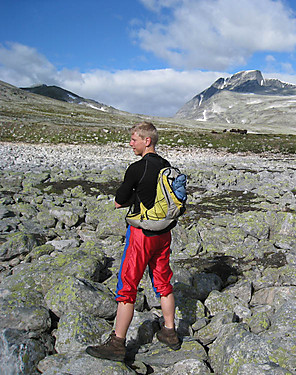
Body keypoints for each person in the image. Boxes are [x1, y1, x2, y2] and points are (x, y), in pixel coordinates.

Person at [86, 121, 181, 362]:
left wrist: (134, 197)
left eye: (133, 139)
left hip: (141, 235)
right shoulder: (166, 166)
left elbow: (120, 200)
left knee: (127, 285)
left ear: (146, 141)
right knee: (163, 280)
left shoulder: (137, 168)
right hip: (164, 233)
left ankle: (118, 343)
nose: (130, 143)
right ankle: (170, 332)